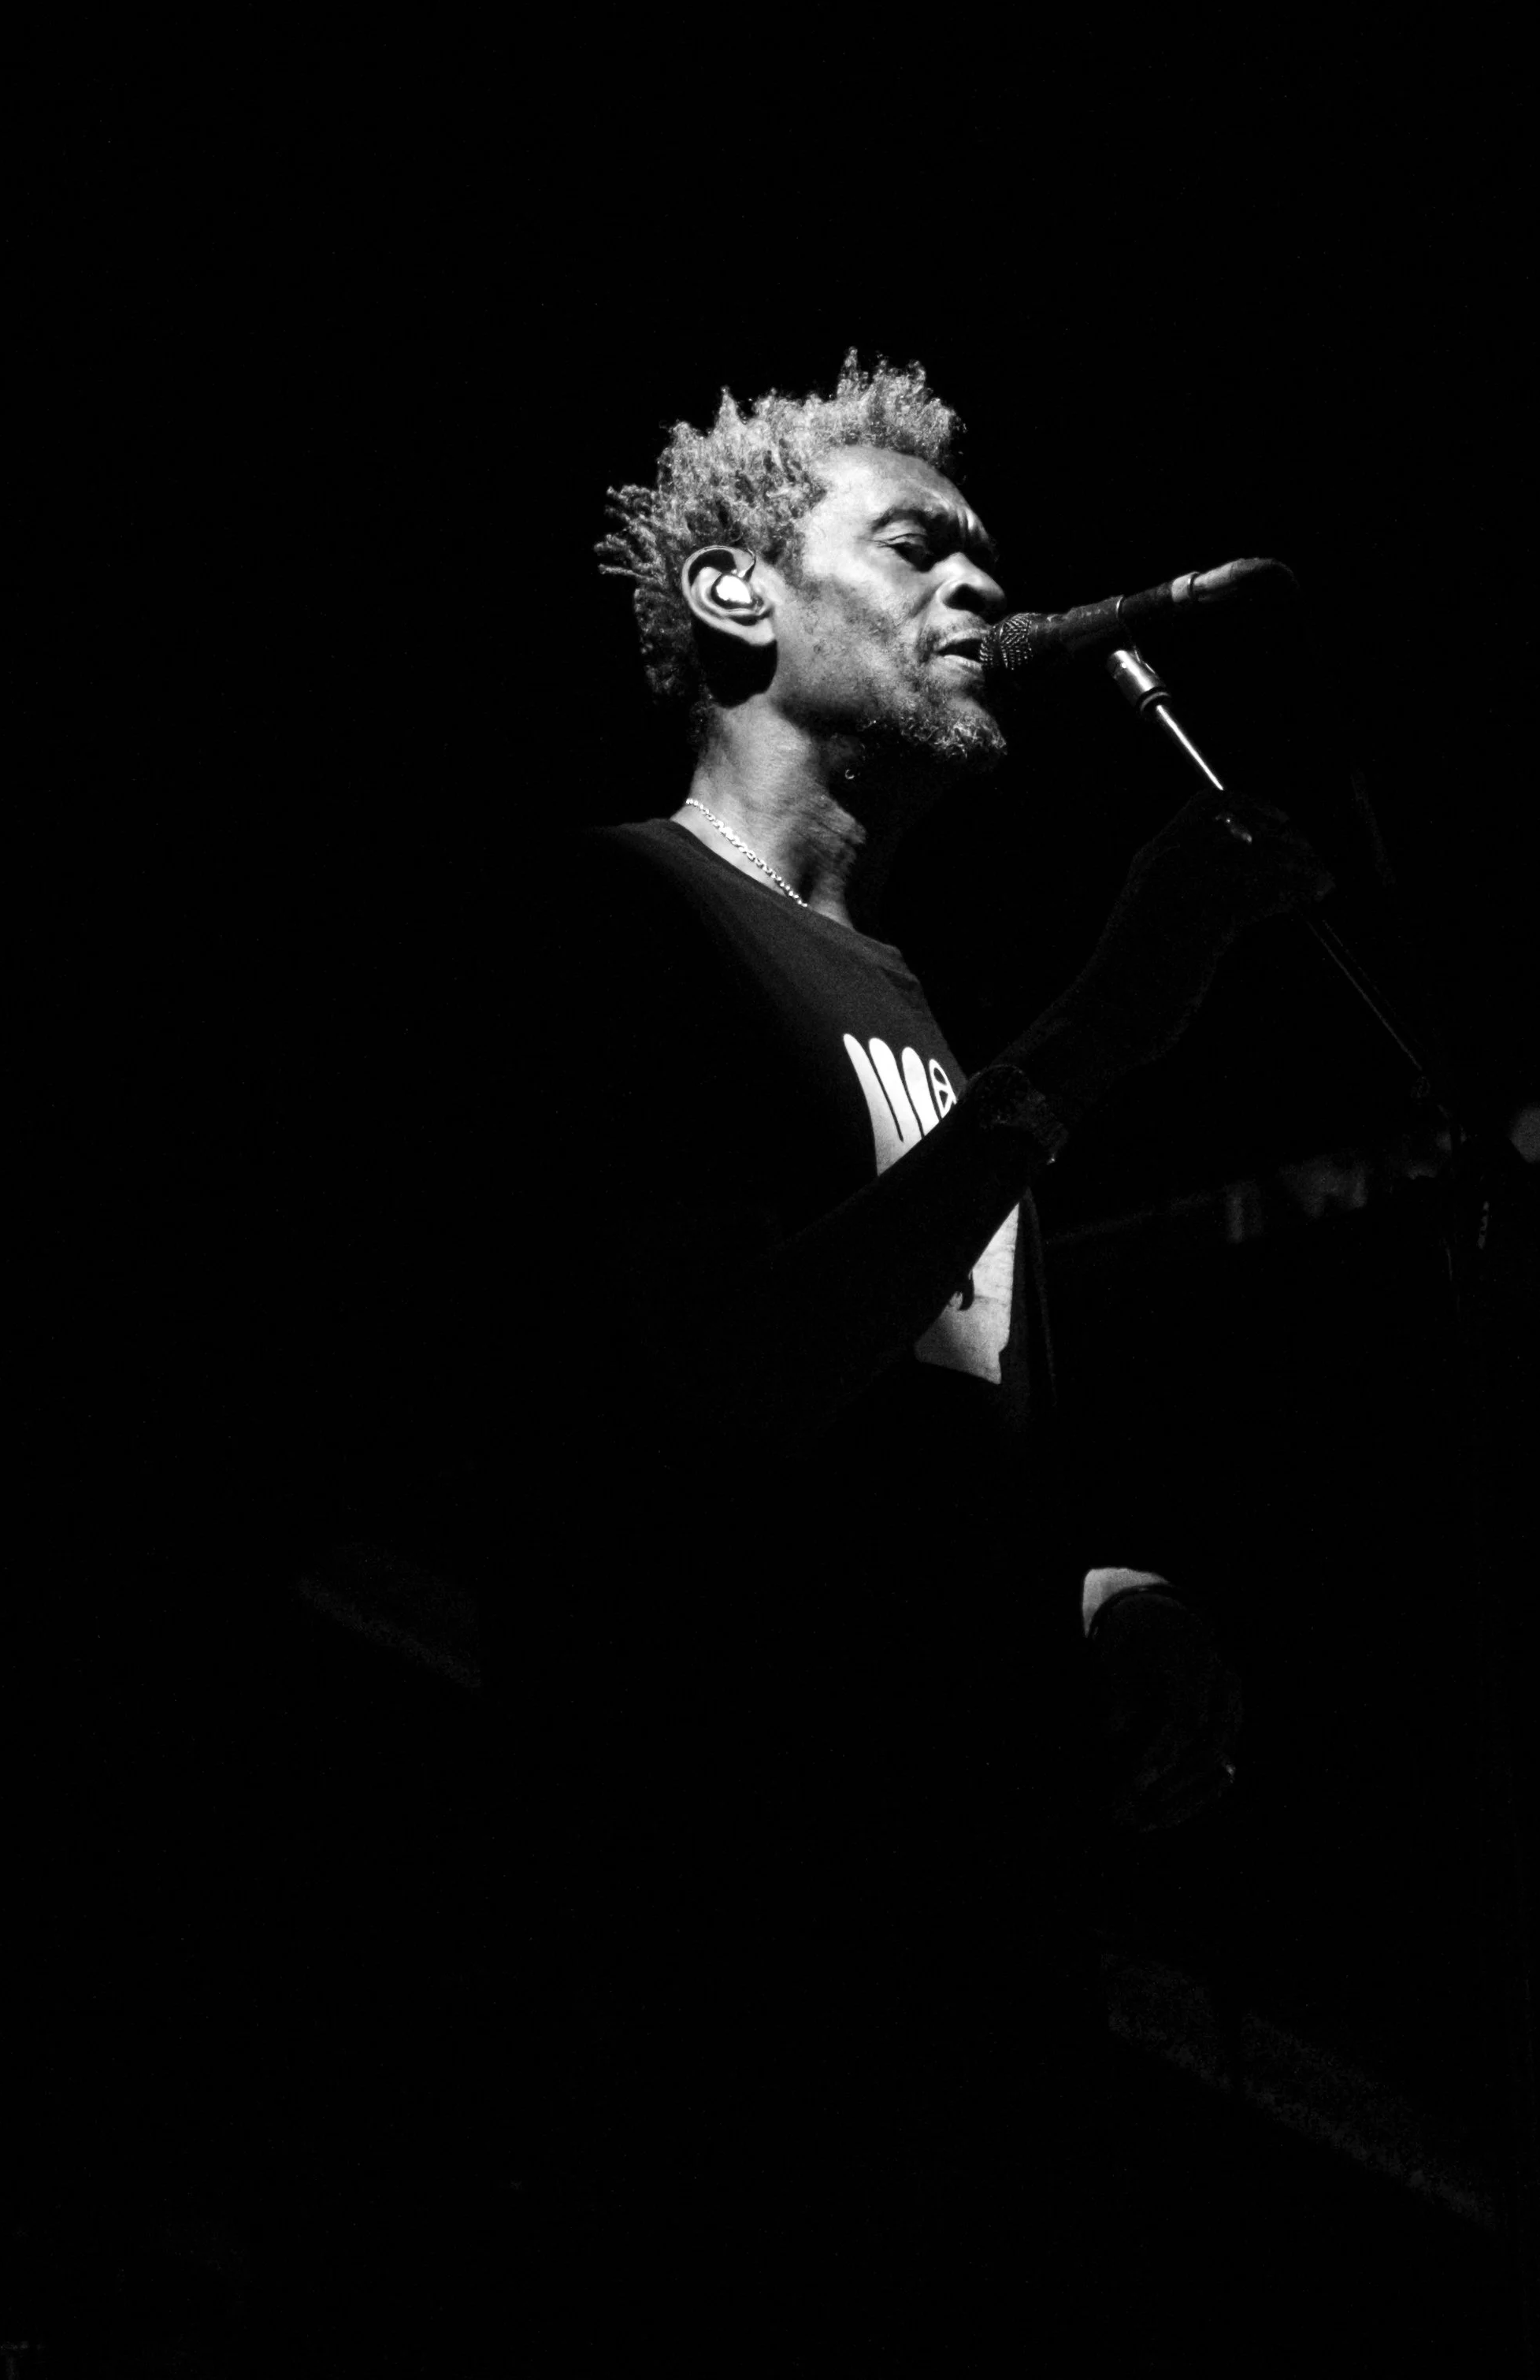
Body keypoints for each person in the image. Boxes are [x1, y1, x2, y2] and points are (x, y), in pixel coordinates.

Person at [495, 355, 1333, 2373]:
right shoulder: (619, 919)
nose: (978, 590)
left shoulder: (920, 1012)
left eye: (984, 560)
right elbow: (726, 1386)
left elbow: (893, 1435)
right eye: (913, 546)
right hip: (739, 1924)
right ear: (733, 597)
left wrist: (1070, 1582)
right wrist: (1088, 1051)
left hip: (969, 1913)